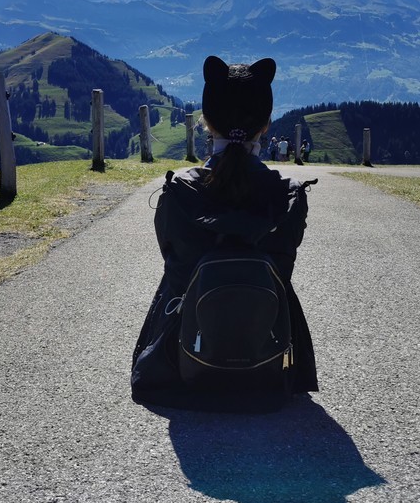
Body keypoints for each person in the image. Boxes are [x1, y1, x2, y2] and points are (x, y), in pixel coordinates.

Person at [131, 55, 319, 404]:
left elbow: (175, 267)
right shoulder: (289, 196)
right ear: (265, 125)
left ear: (206, 123)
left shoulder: (180, 191)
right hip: (270, 361)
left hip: (182, 360)